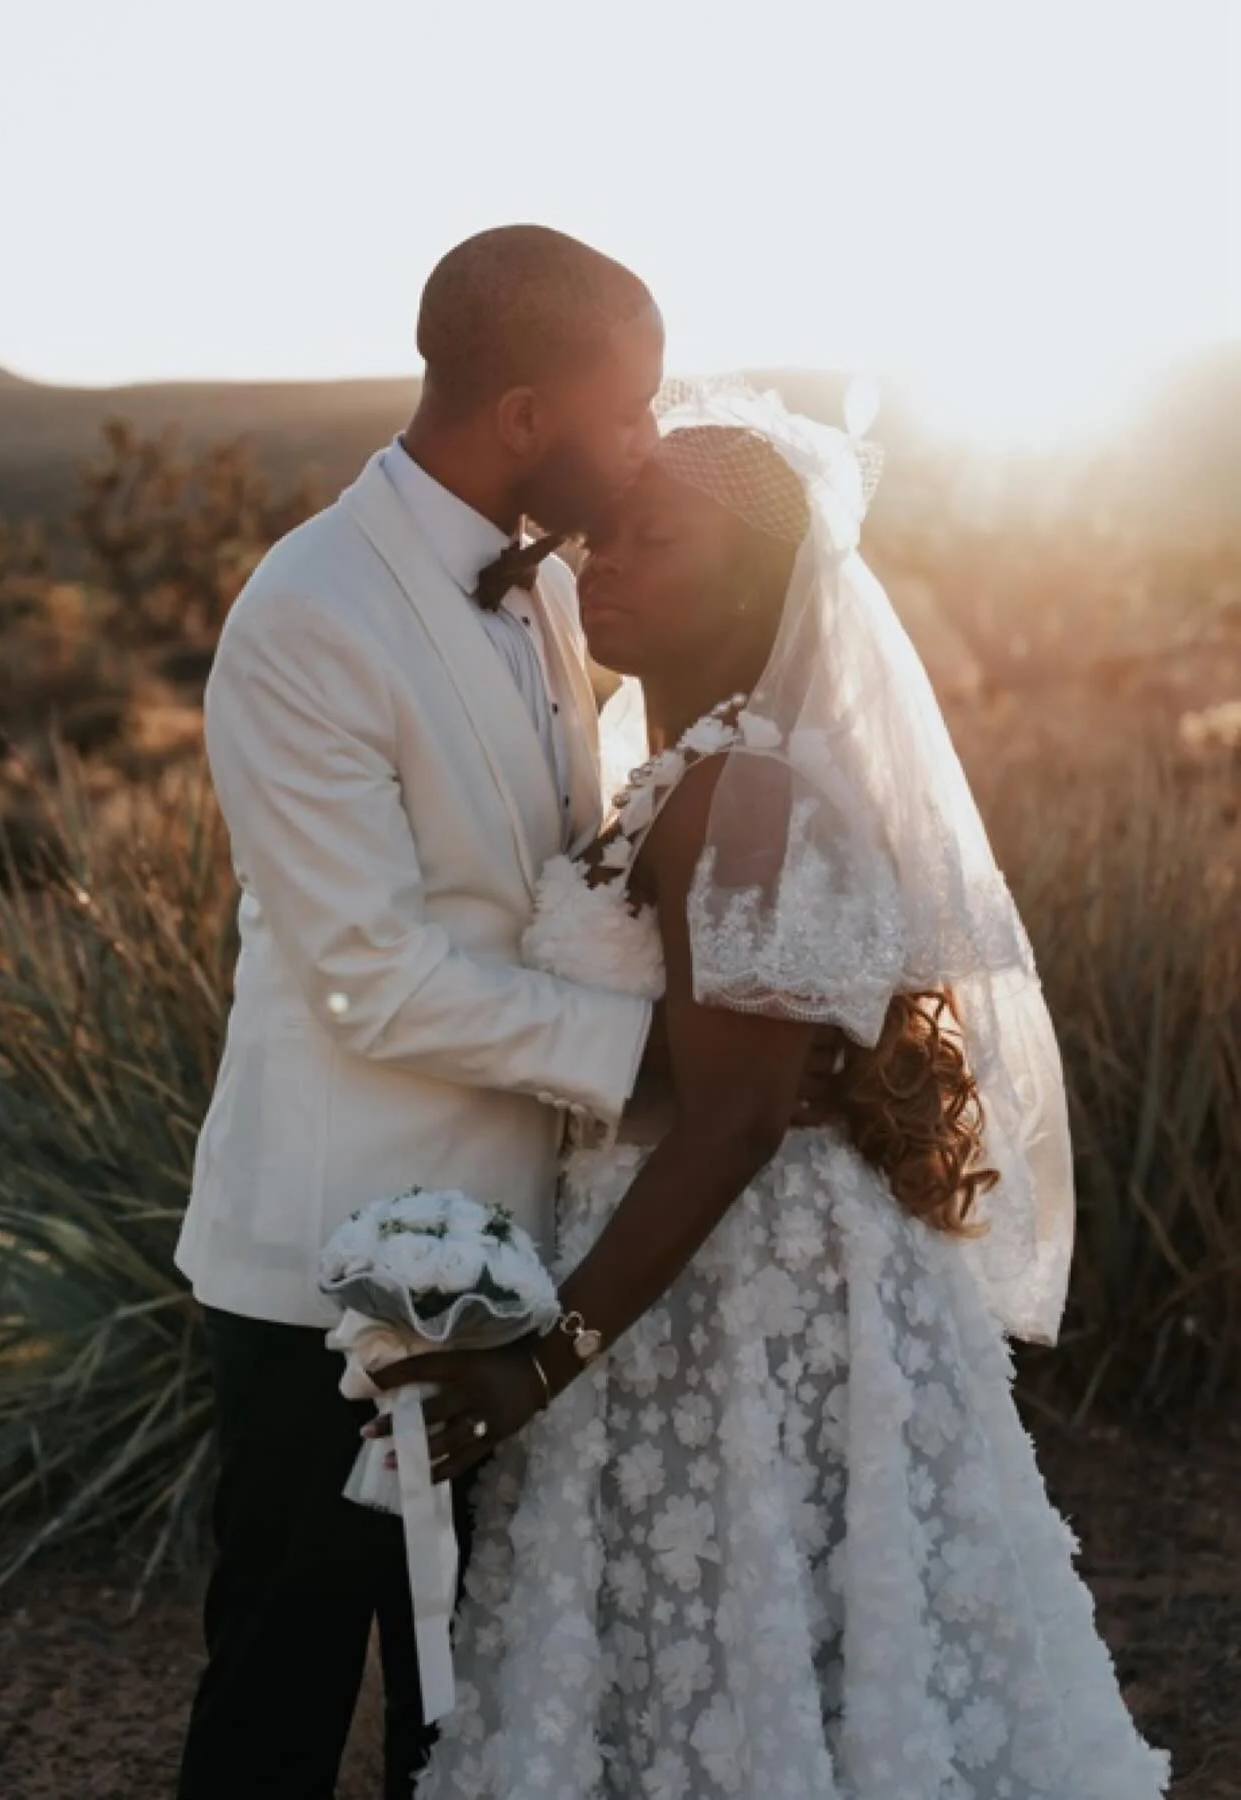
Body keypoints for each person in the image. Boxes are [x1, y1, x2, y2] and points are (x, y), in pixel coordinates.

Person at [375, 382, 1171, 1798]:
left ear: (756, 590)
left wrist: (542, 1359)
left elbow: (739, 1119)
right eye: (598, 537)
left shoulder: (742, 790)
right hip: (690, 1269)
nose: (599, 563)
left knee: (764, 1635)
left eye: (652, 542)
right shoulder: (687, 777)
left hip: (748, 1294)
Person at [176, 223, 734, 1798]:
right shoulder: (310, 612)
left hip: (520, 1249)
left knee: (470, 1695)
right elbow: (370, 964)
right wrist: (664, 1068)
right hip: (328, 1264)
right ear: (522, 417)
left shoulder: (554, 591)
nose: (641, 448)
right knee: (284, 1679)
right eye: (625, 416)